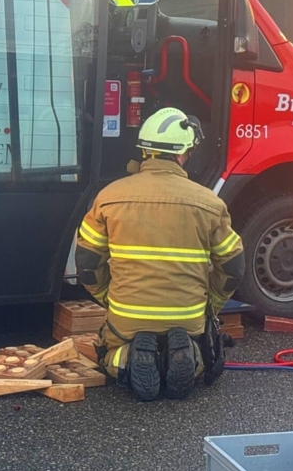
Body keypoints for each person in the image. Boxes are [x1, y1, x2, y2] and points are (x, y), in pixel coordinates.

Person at [75, 107, 245, 402]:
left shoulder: (108, 197)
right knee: (201, 349)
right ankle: (190, 357)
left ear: (145, 151)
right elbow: (234, 266)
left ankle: (125, 358)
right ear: (182, 154)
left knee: (108, 353)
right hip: (188, 316)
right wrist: (211, 307)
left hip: (127, 316)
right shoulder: (209, 203)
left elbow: (87, 263)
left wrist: (109, 297)